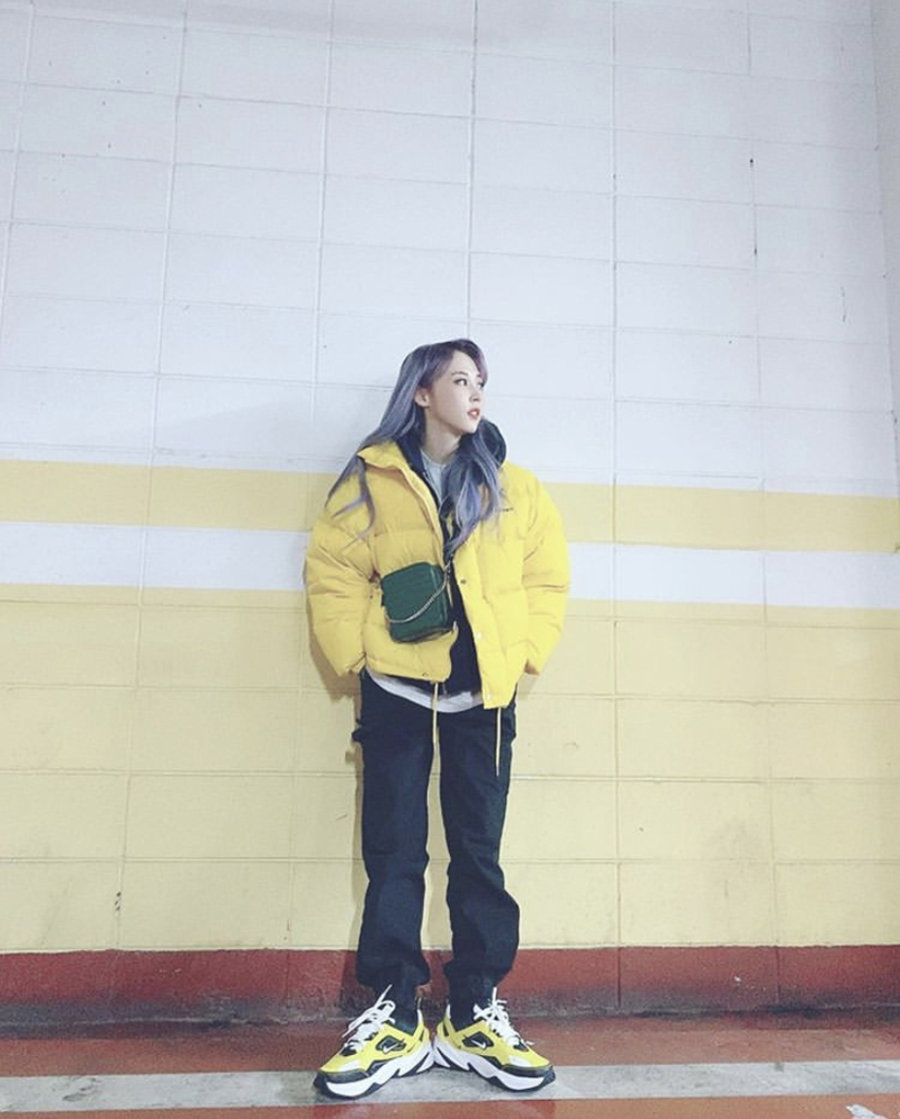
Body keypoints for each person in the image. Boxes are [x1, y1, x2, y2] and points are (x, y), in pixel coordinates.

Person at [305, 339, 569, 1100]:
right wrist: (357, 658)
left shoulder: (514, 486)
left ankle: (473, 1009)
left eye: (480, 381)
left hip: (483, 699)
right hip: (397, 691)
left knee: (479, 853)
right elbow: (333, 570)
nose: (475, 392)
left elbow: (547, 577)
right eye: (459, 379)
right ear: (421, 392)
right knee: (394, 851)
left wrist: (524, 653)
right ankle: (393, 1011)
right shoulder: (370, 478)